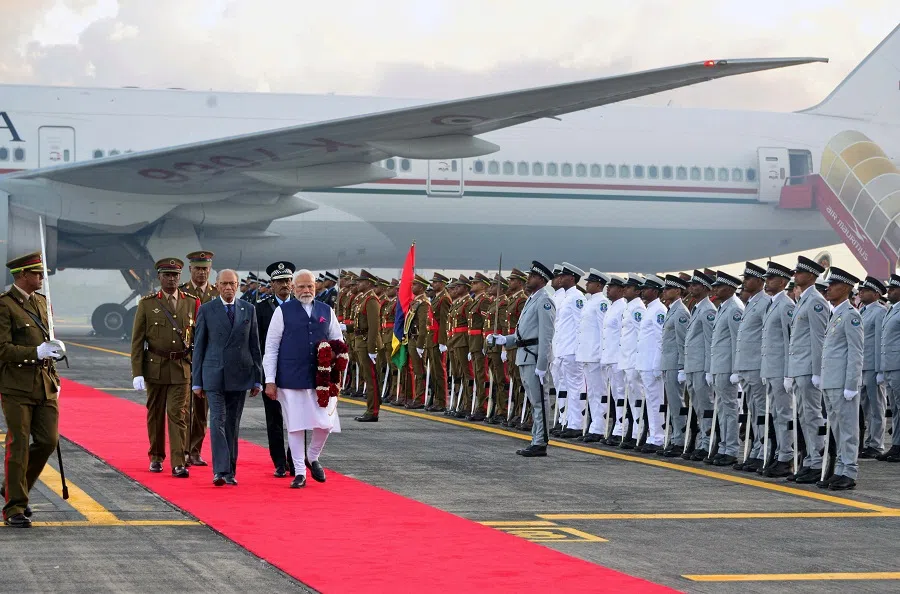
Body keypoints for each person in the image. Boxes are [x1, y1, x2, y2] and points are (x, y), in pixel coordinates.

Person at [0, 252, 64, 527]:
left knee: (49, 441)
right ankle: (15, 505)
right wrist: (35, 352)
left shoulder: (41, 302)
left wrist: (54, 365)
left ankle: (13, 487)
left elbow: (46, 344)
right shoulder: (5, 306)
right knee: (20, 444)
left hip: (44, 384)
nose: (41, 279)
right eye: (37, 274)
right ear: (22, 275)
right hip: (16, 385)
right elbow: (2, 349)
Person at [263, 269, 343, 488]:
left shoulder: (326, 310)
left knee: (325, 424)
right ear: (293, 288)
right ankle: (300, 472)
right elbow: (271, 347)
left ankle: (312, 456)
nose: (306, 290)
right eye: (301, 286)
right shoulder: (283, 312)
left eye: (309, 286)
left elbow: (338, 340)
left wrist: (334, 357)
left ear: (315, 287)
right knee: (296, 427)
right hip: (291, 378)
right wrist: (270, 380)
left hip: (321, 379)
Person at [191, 269, 262, 486]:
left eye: (232, 283)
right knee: (217, 421)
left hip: (240, 374)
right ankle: (220, 471)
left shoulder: (248, 309)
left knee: (233, 423)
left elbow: (254, 345)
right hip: (214, 374)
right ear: (217, 285)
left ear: (238, 285)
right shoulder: (207, 309)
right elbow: (199, 347)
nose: (229, 287)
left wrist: (257, 377)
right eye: (224, 283)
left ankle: (231, 470)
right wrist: (197, 380)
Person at [131, 258, 200, 478]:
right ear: (159, 277)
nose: (172, 279)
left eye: (175, 275)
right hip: (155, 367)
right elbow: (137, 341)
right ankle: (156, 456)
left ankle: (179, 461)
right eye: (167, 275)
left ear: (180, 277)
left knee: (177, 414)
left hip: (181, 367)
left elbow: (198, 337)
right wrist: (137, 373)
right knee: (155, 414)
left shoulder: (192, 302)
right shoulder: (147, 303)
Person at [488, 261, 556, 457]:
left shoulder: (544, 300)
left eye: (532, 277)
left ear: (542, 279)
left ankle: (540, 442)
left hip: (534, 357)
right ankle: (536, 439)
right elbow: (522, 335)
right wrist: (503, 340)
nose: (528, 279)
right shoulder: (531, 299)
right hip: (524, 355)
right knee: (534, 401)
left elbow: (545, 336)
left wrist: (542, 364)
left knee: (539, 402)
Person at [817, 267, 863, 490]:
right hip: (831, 381)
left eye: (833, 285)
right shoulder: (836, 313)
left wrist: (851, 384)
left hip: (843, 383)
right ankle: (841, 468)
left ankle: (849, 471)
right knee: (836, 428)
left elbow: (856, 352)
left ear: (845, 288)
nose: (828, 288)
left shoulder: (851, 315)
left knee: (848, 429)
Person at [785, 255, 829, 483]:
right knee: (804, 415)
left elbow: (819, 339)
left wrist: (818, 372)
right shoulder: (804, 299)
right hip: (799, 368)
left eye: (799, 273)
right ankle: (811, 459)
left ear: (811, 275)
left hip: (809, 369)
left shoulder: (816, 301)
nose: (795, 276)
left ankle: (818, 461)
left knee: (813, 415)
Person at [256, 261, 296, 477]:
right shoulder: (261, 308)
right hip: (270, 371)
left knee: (297, 419)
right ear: (271, 284)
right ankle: (279, 462)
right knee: (274, 419)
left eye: (288, 281)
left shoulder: (301, 306)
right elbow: (256, 342)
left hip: (294, 372)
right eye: (280, 281)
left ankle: (295, 459)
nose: (285, 285)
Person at [180, 250, 219, 468]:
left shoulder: (217, 294)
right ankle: (183, 450)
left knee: (202, 410)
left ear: (210, 270)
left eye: (205, 269)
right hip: (186, 359)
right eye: (198, 269)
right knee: (184, 408)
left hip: (209, 361)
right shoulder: (181, 293)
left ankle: (195, 451)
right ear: (190, 270)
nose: (202, 273)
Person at [731, 262, 771, 472]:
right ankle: (756, 450)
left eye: (748, 278)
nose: (744, 282)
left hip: (757, 366)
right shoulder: (752, 302)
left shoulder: (764, 302)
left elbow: (767, 337)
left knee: (762, 411)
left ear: (759, 281)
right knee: (754, 411)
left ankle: (764, 451)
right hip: (747, 366)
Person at [758, 261, 796, 478]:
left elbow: (790, 341)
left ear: (782, 282)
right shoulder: (772, 304)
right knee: (775, 415)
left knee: (783, 413)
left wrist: (788, 373)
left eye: (770, 278)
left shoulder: (786, 306)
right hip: (771, 370)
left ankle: (786, 456)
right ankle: (779, 452)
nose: (766, 282)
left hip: (781, 371)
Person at [708, 271, 745, 466]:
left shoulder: (735, 309)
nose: (714, 289)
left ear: (730, 288)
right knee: (722, 409)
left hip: (727, 368)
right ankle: (724, 446)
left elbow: (736, 341)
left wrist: (735, 370)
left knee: (730, 408)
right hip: (719, 367)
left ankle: (731, 449)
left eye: (718, 286)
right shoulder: (724, 307)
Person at [683, 270, 716, 460]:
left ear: (704, 287)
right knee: (697, 406)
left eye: (695, 285)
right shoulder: (697, 308)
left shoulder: (708, 310)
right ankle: (703, 440)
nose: (690, 288)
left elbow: (710, 342)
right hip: (693, 366)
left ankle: (706, 443)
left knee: (705, 406)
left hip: (702, 367)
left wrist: (709, 370)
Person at [550, 263, 586, 438]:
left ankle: (576, 423)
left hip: (572, 350)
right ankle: (565, 420)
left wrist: (579, 350)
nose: (559, 278)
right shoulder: (564, 297)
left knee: (575, 388)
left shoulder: (577, 297)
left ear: (571, 278)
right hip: (561, 349)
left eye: (563, 276)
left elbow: (581, 325)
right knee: (563, 387)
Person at [635, 275, 668, 452]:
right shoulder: (650, 309)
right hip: (644, 363)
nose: (643, 291)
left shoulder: (659, 310)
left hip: (651, 365)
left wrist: (657, 365)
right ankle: (652, 435)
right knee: (650, 401)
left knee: (655, 401)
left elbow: (660, 340)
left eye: (646, 288)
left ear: (655, 291)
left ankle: (657, 437)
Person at [576, 269, 610, 442]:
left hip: (595, 355)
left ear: (598, 285)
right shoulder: (590, 302)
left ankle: (598, 427)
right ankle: (594, 424)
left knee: (599, 392)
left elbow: (604, 330)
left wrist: (602, 355)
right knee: (592, 393)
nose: (586, 284)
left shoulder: (602, 303)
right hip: (587, 354)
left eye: (590, 282)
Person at [856, 276, 887, 459]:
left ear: (876, 294)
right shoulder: (863, 311)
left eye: (865, 290)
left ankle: (876, 443)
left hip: (873, 367)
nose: (861, 293)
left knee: (877, 407)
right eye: (860, 290)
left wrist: (880, 370)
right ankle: (868, 442)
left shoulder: (879, 312)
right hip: (862, 366)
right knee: (865, 407)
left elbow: (879, 343)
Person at [659, 275, 690, 456]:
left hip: (674, 365)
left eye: (667, 289)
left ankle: (679, 440)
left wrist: (681, 367)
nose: (664, 291)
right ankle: (675, 437)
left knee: (677, 403)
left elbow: (683, 342)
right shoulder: (672, 310)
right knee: (672, 402)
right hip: (667, 363)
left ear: (677, 291)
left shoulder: (681, 313)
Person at [877, 274, 900, 462]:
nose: (889, 292)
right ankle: (897, 444)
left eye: (893, 289)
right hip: (890, 367)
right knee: (897, 410)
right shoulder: (892, 310)